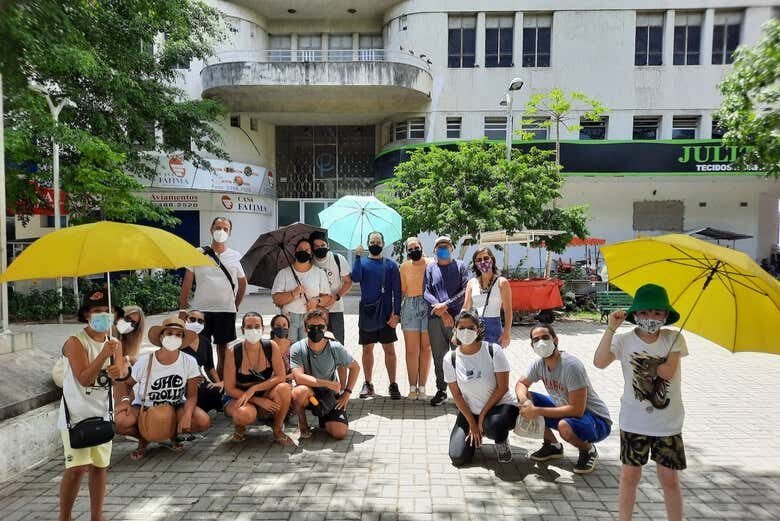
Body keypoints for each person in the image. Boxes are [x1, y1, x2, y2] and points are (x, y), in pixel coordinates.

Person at [593, 283, 688, 521]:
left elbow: (666, 373)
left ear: (666, 315)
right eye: (645, 312)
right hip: (634, 423)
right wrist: (611, 329)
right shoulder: (625, 341)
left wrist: (662, 358)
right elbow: (599, 362)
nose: (651, 318)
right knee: (629, 478)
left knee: (669, 479)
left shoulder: (674, 339)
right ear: (636, 315)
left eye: (657, 313)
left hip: (668, 423)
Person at [58, 290, 129, 521]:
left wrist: (121, 372)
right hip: (76, 416)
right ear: (87, 314)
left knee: (100, 467)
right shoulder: (75, 342)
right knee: (77, 469)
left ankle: (97, 516)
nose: (103, 316)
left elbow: (119, 378)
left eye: (108, 312)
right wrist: (102, 357)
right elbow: (84, 378)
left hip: (102, 413)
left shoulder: (115, 344)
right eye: (97, 311)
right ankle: (65, 516)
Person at [515, 323, 612, 474]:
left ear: (555, 340)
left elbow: (577, 410)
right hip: (566, 411)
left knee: (564, 426)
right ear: (532, 345)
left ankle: (588, 450)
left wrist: (536, 410)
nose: (541, 342)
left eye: (545, 337)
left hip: (596, 419)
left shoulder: (571, 366)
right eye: (536, 339)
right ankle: (553, 446)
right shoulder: (539, 364)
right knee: (526, 399)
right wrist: (525, 402)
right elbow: (521, 383)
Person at [114, 317, 211, 460]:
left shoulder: (189, 361)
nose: (174, 337)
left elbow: (191, 396)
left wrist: (187, 416)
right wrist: (125, 400)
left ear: (183, 339)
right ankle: (143, 438)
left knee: (202, 421)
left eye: (178, 335)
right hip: (145, 405)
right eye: (169, 333)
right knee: (120, 423)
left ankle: (172, 435)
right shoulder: (146, 360)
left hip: (176, 404)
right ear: (161, 336)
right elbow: (127, 383)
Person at [444, 310, 518, 466]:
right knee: (457, 457)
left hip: (499, 408)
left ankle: (501, 440)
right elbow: (457, 395)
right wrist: (472, 423)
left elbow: (503, 387)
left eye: (471, 328)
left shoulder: (493, 350)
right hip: (471, 411)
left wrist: (482, 417)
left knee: (493, 425)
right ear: (455, 330)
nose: (466, 331)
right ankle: (477, 434)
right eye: (461, 328)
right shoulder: (450, 358)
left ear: (478, 330)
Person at [178, 217, 247, 379]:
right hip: (201, 311)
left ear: (230, 233)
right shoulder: (197, 253)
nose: (221, 232)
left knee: (223, 350)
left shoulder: (235, 256)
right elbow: (187, 283)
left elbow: (243, 284)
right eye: (218, 227)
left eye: (225, 229)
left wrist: (235, 305)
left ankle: (221, 383)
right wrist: (182, 309)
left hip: (225, 311)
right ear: (211, 229)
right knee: (197, 346)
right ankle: (197, 380)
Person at [223, 312, 293, 445]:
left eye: (257, 326)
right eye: (249, 327)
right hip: (239, 397)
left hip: (264, 394)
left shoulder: (271, 346)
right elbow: (229, 388)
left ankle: (278, 430)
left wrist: (255, 388)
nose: (253, 330)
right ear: (242, 329)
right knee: (244, 415)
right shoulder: (233, 352)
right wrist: (256, 399)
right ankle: (240, 426)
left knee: (284, 388)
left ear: (263, 328)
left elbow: (281, 376)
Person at [290, 309, 361, 440]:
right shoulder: (297, 348)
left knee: (339, 433)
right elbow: (299, 377)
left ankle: (324, 418)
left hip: (328, 396)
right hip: (309, 393)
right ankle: (303, 423)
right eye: (312, 327)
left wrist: (347, 393)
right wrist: (328, 383)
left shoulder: (335, 347)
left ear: (326, 328)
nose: (316, 330)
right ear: (305, 329)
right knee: (299, 391)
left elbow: (355, 367)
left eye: (320, 327)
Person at [351, 231, 402, 399]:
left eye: (378, 241)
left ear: (383, 244)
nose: (375, 243)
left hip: (387, 315)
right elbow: (356, 277)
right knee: (367, 349)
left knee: (389, 349)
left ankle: (393, 384)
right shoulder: (363, 262)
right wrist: (357, 256)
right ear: (367, 244)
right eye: (372, 241)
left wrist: (397, 314)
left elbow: (397, 291)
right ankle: (368, 383)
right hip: (367, 313)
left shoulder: (391, 265)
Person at [424, 235, 471, 406]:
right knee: (439, 356)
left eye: (446, 246)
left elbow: (466, 290)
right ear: (435, 250)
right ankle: (441, 390)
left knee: (460, 355)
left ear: (451, 248)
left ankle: (463, 393)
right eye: (439, 246)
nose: (443, 249)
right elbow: (426, 292)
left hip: (458, 318)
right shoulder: (430, 267)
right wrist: (442, 311)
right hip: (436, 318)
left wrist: (447, 305)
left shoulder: (460, 266)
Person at [271, 238, 331, 342]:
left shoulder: (319, 273)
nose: (303, 251)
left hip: (310, 317)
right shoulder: (284, 273)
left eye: (307, 250)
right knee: (289, 350)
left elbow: (327, 298)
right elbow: (276, 298)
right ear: (295, 252)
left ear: (311, 253)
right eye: (300, 249)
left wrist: (317, 301)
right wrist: (293, 293)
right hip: (288, 317)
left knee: (307, 349)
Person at [399, 236, 432, 399]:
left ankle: (423, 387)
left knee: (426, 349)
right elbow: (402, 291)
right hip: (410, 307)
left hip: (428, 305)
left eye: (416, 247)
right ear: (407, 252)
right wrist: (396, 312)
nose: (414, 251)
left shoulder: (431, 263)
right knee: (411, 350)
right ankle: (413, 387)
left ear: (421, 247)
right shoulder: (404, 267)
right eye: (410, 249)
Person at [462, 247, 512, 347]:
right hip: (474, 327)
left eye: (486, 258)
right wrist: (459, 327)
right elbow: (466, 307)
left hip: (494, 327)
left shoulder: (502, 282)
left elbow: (508, 310)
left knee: (493, 359)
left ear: (492, 260)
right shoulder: (472, 283)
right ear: (475, 263)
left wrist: (506, 332)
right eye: (479, 260)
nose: (483, 262)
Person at [310, 230, 352, 344]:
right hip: (315, 311)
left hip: (336, 309)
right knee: (316, 344)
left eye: (323, 245)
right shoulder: (309, 262)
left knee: (338, 345)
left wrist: (336, 296)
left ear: (328, 245)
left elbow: (348, 282)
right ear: (312, 248)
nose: (320, 248)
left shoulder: (338, 259)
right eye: (316, 246)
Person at [181, 309, 224, 413]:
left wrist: (219, 384)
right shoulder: (178, 340)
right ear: (186, 320)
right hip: (181, 382)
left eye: (200, 321)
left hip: (199, 381)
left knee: (216, 391)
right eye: (192, 319)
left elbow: (210, 367)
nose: (196, 323)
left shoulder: (205, 342)